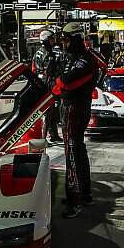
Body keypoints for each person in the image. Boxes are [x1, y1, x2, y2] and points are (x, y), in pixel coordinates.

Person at [51, 22, 99, 218]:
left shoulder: (85, 60)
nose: (64, 42)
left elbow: (67, 83)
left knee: (72, 151)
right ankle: (84, 193)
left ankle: (74, 200)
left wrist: (59, 83)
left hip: (75, 109)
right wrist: (59, 81)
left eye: (67, 39)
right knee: (76, 149)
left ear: (76, 38)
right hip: (71, 108)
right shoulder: (76, 58)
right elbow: (61, 80)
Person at [32, 30, 63, 143]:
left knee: (50, 112)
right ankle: (44, 138)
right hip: (49, 86)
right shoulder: (49, 54)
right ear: (46, 40)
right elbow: (49, 73)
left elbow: (34, 70)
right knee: (49, 113)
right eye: (52, 39)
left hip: (41, 85)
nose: (54, 41)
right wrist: (54, 85)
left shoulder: (37, 53)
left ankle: (53, 135)